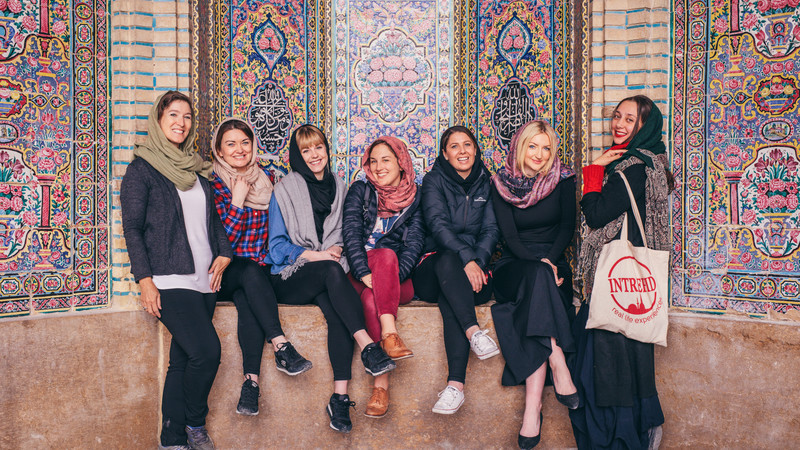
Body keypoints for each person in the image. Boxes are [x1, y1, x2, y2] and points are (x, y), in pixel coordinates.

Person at [267, 124, 397, 433]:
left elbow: (343, 238)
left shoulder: (340, 187)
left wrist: (335, 249)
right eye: (306, 150)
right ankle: (368, 346)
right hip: (289, 277)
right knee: (332, 271)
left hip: (327, 276)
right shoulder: (284, 189)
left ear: (327, 149)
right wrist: (317, 255)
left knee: (341, 313)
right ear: (297, 156)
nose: (314, 155)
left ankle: (340, 399)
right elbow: (275, 247)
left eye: (318, 147)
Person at [121, 91, 232, 450]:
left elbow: (213, 222)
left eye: (186, 117)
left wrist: (225, 253)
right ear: (158, 119)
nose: (181, 123)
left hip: (204, 280)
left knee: (182, 361)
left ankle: (171, 439)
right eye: (173, 115)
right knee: (207, 352)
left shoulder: (196, 169)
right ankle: (195, 425)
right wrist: (145, 281)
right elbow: (132, 228)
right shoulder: (142, 169)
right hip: (169, 279)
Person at [572, 95, 671, 449]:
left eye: (630, 120)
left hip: (613, 282)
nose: (619, 124)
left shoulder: (629, 168)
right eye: (617, 117)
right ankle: (643, 429)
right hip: (636, 286)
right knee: (631, 364)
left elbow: (596, 214)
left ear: (645, 127)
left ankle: (619, 439)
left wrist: (594, 170)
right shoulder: (655, 164)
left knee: (603, 369)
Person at [210, 118, 312, 417]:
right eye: (230, 144)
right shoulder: (213, 184)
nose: (239, 149)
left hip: (258, 271)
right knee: (248, 274)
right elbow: (223, 242)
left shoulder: (267, 178)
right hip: (225, 270)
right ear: (219, 149)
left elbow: (280, 230)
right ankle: (282, 345)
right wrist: (238, 202)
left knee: (248, 298)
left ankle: (250, 384)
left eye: (244, 142)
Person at [490, 120, 578, 449]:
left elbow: (566, 228)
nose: (539, 154)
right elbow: (509, 237)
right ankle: (557, 360)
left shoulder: (563, 179)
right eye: (533, 146)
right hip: (514, 265)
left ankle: (532, 408)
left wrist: (550, 262)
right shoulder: (500, 183)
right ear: (520, 147)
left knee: (539, 291)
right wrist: (540, 265)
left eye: (546, 148)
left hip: (552, 263)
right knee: (538, 281)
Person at [413, 125, 501, 415]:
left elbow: (491, 228)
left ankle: (455, 388)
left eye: (467, 145)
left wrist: (478, 262)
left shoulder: (487, 182)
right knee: (449, 261)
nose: (462, 151)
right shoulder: (433, 181)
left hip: (474, 274)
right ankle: (474, 331)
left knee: (452, 297)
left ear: (476, 150)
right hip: (433, 268)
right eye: (454, 146)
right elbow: (438, 226)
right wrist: (468, 260)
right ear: (444, 153)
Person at [342, 137, 425, 418]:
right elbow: (351, 234)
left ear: (401, 163)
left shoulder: (416, 198)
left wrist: (385, 278)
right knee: (376, 273)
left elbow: (414, 246)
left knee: (386, 261)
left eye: (385, 160)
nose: (378, 167)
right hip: (358, 272)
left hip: (396, 279)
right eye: (373, 161)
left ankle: (381, 376)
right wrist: (364, 271)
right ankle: (384, 370)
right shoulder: (360, 191)